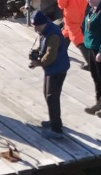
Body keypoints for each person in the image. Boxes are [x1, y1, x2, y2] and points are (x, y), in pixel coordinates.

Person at [27, 10, 70, 139]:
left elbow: (51, 56)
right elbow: (45, 47)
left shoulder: (53, 35)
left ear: (43, 23)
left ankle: (57, 129)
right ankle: (54, 120)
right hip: (51, 69)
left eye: (37, 26)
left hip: (57, 69)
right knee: (47, 94)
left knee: (52, 97)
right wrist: (37, 51)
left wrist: (37, 63)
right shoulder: (45, 31)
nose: (35, 29)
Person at [56, 0, 90, 68]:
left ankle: (91, 63)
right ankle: (60, 53)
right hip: (83, 13)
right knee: (66, 33)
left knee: (77, 38)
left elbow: (61, 4)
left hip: (71, 15)